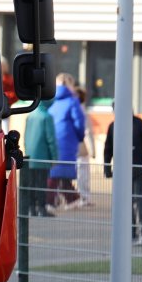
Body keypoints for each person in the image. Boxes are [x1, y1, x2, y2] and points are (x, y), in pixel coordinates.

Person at [103, 111, 142, 242]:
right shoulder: (125, 124)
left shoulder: (117, 125)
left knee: (133, 200)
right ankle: (137, 231)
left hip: (130, 168)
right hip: (131, 168)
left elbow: (108, 149)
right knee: (136, 200)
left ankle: (137, 231)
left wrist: (107, 168)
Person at [46, 74, 87, 209]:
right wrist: (80, 136)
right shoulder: (72, 101)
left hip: (53, 138)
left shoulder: (51, 100)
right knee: (59, 172)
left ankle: (70, 199)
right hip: (68, 139)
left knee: (57, 171)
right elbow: (79, 122)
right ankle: (51, 201)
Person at [22, 100, 57, 216]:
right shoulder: (47, 117)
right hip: (43, 157)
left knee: (31, 184)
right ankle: (42, 209)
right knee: (41, 184)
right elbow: (51, 139)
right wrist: (54, 158)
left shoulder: (30, 116)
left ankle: (32, 209)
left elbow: (25, 136)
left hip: (30, 157)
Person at [73, 85, 95, 207]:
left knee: (78, 172)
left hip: (71, 146)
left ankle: (79, 197)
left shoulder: (73, 109)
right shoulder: (82, 112)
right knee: (83, 173)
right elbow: (88, 132)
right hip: (81, 147)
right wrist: (93, 150)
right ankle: (83, 197)